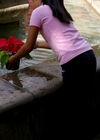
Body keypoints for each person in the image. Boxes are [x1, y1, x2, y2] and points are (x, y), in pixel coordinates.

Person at [7, 0, 97, 139]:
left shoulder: (39, 11)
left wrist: (13, 59)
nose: (29, 1)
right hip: (88, 55)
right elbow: (57, 42)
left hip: (74, 62)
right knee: (85, 103)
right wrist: (36, 45)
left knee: (73, 108)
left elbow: (28, 46)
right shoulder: (56, 8)